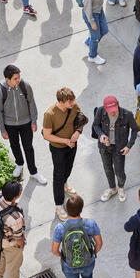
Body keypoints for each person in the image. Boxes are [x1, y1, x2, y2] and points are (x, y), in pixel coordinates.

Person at [0, 65, 46, 184]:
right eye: (15, 78)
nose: (18, 80)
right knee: (15, 145)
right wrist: (2, 129)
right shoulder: (0, 92)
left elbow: (32, 103)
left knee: (28, 147)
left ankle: (33, 172)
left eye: (19, 77)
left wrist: (34, 121)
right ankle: (19, 164)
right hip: (10, 125)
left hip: (26, 123)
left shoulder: (25, 86)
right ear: (7, 79)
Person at [42, 87, 85, 221]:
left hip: (72, 144)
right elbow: (47, 135)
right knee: (58, 175)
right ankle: (59, 205)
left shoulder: (74, 106)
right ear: (61, 101)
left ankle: (65, 183)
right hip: (58, 148)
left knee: (69, 167)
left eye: (73, 100)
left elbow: (81, 121)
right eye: (69, 102)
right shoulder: (49, 114)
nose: (73, 103)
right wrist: (65, 141)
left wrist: (77, 132)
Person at [93, 96, 139, 203]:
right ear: (105, 108)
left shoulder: (127, 115)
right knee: (107, 168)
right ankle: (112, 189)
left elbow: (135, 130)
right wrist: (101, 135)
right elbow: (95, 125)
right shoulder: (100, 111)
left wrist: (129, 146)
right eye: (110, 111)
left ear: (118, 104)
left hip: (119, 148)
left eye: (114, 110)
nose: (112, 113)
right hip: (104, 147)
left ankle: (121, 188)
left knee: (119, 171)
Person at [52, 195, 103, 278]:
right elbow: (99, 244)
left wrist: (64, 256)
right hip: (88, 262)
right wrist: (93, 253)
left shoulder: (60, 228)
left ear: (67, 210)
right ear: (81, 209)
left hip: (69, 264)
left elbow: (54, 250)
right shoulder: (90, 224)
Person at [0, 181, 28, 278]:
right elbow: (18, 237)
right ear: (16, 196)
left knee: (0, 256)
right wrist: (21, 245)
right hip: (11, 244)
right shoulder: (16, 217)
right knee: (13, 265)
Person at [83, 0, 108, 65]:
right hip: (91, 14)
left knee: (104, 30)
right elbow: (87, 7)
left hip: (99, 11)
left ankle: (89, 42)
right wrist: (92, 22)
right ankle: (92, 56)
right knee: (96, 37)